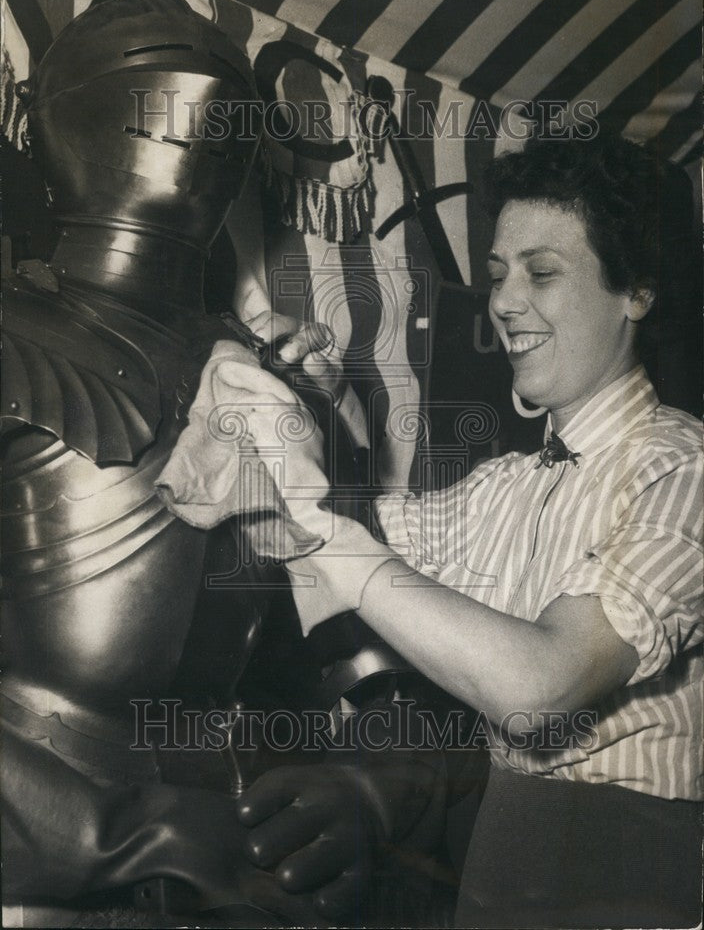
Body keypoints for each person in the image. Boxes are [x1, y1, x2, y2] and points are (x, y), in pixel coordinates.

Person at [1, 0, 441, 928]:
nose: (188, 128)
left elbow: (363, 659)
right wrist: (120, 834)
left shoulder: (270, 382)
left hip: (248, 865)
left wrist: (371, 789)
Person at [233, 135, 703, 928]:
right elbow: (356, 533)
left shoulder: (684, 470)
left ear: (636, 293)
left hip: (631, 883)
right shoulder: (504, 486)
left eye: (541, 273)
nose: (505, 302)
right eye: (496, 275)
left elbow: (540, 690)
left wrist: (322, 528)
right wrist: (322, 404)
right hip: (498, 877)